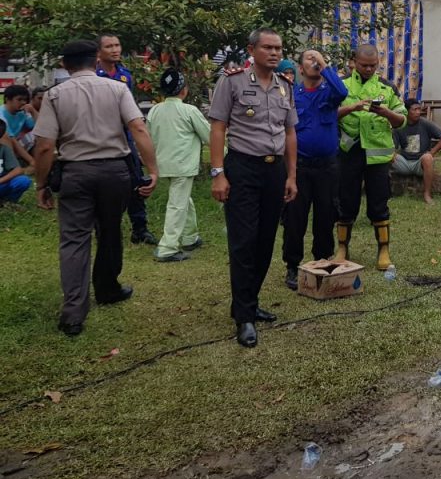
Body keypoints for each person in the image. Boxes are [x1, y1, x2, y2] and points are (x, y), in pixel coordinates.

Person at [33, 39, 159, 337]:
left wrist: (42, 184)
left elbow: (45, 146)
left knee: (74, 240)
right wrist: (152, 169)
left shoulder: (55, 95)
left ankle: (73, 313)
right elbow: (138, 128)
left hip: (76, 172)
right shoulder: (117, 89)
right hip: (115, 172)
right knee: (110, 230)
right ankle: (107, 288)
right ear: (96, 60)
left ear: (65, 65)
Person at [208, 28, 298, 348]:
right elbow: (218, 127)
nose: (274, 53)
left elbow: (290, 132)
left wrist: (291, 175)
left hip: (274, 171)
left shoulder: (285, 86)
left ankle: (248, 302)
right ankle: (244, 317)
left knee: (264, 241)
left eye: (278, 48)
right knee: (243, 242)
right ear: (251, 50)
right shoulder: (232, 81)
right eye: (268, 47)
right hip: (243, 168)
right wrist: (218, 173)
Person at [335, 43, 407, 270]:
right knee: (346, 202)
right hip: (349, 153)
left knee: (379, 204)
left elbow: (402, 120)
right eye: (364, 65)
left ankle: (384, 250)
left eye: (373, 65)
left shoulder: (387, 88)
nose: (368, 69)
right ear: (354, 62)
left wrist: (386, 112)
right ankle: (342, 248)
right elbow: (328, 114)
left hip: (378, 157)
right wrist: (352, 108)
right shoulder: (341, 85)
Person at [281, 48, 348, 291]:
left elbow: (342, 92)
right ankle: (292, 265)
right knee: (294, 218)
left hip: (327, 167)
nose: (314, 61)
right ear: (300, 69)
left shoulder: (328, 92)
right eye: (309, 59)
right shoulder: (292, 95)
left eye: (317, 58)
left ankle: (322, 260)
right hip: (299, 167)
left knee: (326, 215)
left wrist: (324, 64)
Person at [95, 33, 157, 246]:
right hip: (101, 136)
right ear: (98, 52)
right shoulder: (95, 76)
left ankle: (140, 228)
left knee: (136, 179)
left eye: (117, 45)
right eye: (109, 46)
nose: (115, 50)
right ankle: (104, 228)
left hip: (125, 134)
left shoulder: (125, 75)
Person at [146, 68, 210, 262]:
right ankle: (167, 247)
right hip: (183, 165)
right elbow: (209, 136)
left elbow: (148, 137)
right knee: (177, 204)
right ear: (184, 90)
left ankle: (190, 237)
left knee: (182, 200)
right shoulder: (189, 110)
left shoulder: (154, 110)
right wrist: (224, 153)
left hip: (163, 164)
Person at [392, 98, 441, 204]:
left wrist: (432, 152)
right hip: (404, 162)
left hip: (420, 164)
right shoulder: (399, 125)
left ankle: (427, 194)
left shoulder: (425, 123)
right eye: (414, 109)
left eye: (419, 109)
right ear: (406, 111)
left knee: (427, 158)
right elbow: (393, 148)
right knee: (387, 156)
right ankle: (386, 192)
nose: (418, 112)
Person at [1, 85, 35, 167]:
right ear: (7, 99)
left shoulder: (22, 112)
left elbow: (37, 127)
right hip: (5, 144)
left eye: (25, 100)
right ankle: (12, 165)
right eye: (19, 99)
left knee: (39, 134)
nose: (23, 103)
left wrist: (33, 111)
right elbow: (11, 139)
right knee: (6, 137)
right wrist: (31, 160)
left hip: (15, 143)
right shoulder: (1, 114)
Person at [0, 119, 32, 205]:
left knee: (23, 181)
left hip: (1, 185)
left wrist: (1, 180)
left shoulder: (4, 149)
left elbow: (18, 170)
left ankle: (9, 202)